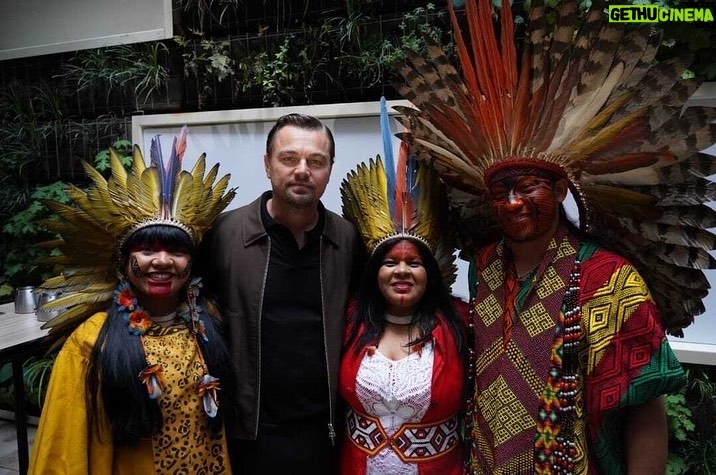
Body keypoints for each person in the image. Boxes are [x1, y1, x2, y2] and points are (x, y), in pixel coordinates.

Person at [388, 0, 714, 472]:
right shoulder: (484, 266)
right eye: (502, 190)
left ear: (561, 188)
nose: (515, 202)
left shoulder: (610, 278)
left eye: (530, 186)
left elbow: (645, 406)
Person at [29, 128, 236, 473]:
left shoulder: (205, 326)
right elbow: (63, 451)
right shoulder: (91, 342)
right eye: (147, 249)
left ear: (192, 263)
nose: (162, 261)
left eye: (177, 250)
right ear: (124, 262)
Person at [200, 113, 363, 473]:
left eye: (315, 161)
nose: (302, 170)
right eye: (289, 158)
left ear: (329, 169)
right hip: (247, 435)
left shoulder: (347, 239)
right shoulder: (225, 234)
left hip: (326, 436)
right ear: (267, 165)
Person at [338, 99, 469, 474]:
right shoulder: (349, 321)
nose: (402, 271)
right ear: (374, 271)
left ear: (431, 272)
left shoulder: (461, 323)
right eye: (390, 262)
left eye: (414, 263)